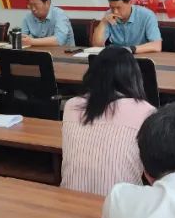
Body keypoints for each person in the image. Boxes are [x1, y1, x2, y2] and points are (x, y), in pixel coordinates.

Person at [61, 46, 154, 195]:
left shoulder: (71, 105)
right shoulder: (146, 111)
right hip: (118, 205)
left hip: (69, 200)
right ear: (133, 77)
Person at [92, 0, 162, 53]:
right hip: (116, 57)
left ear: (130, 2)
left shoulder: (147, 15)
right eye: (112, 7)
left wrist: (130, 49)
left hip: (139, 55)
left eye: (119, 7)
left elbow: (156, 46)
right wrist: (103, 22)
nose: (115, 12)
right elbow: (97, 45)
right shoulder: (109, 15)